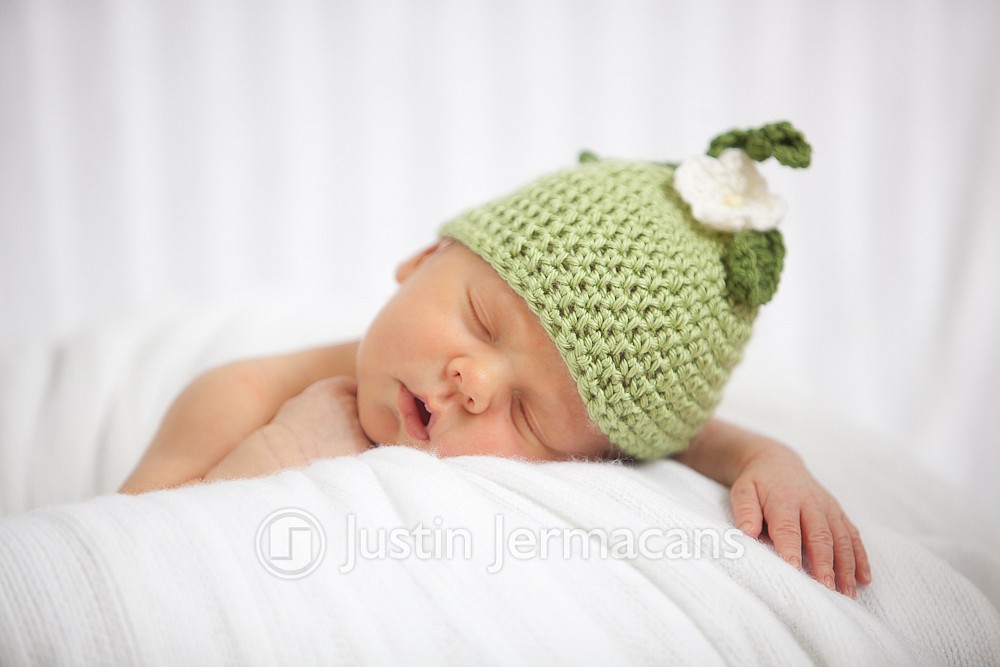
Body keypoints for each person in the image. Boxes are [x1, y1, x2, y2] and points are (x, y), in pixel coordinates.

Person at [120, 121, 871, 598]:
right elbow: (134, 546)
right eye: (482, 321)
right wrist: (278, 452)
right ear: (422, 259)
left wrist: (770, 461)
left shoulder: (606, 443)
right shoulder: (239, 393)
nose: (475, 382)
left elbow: (688, 437)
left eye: (530, 416)